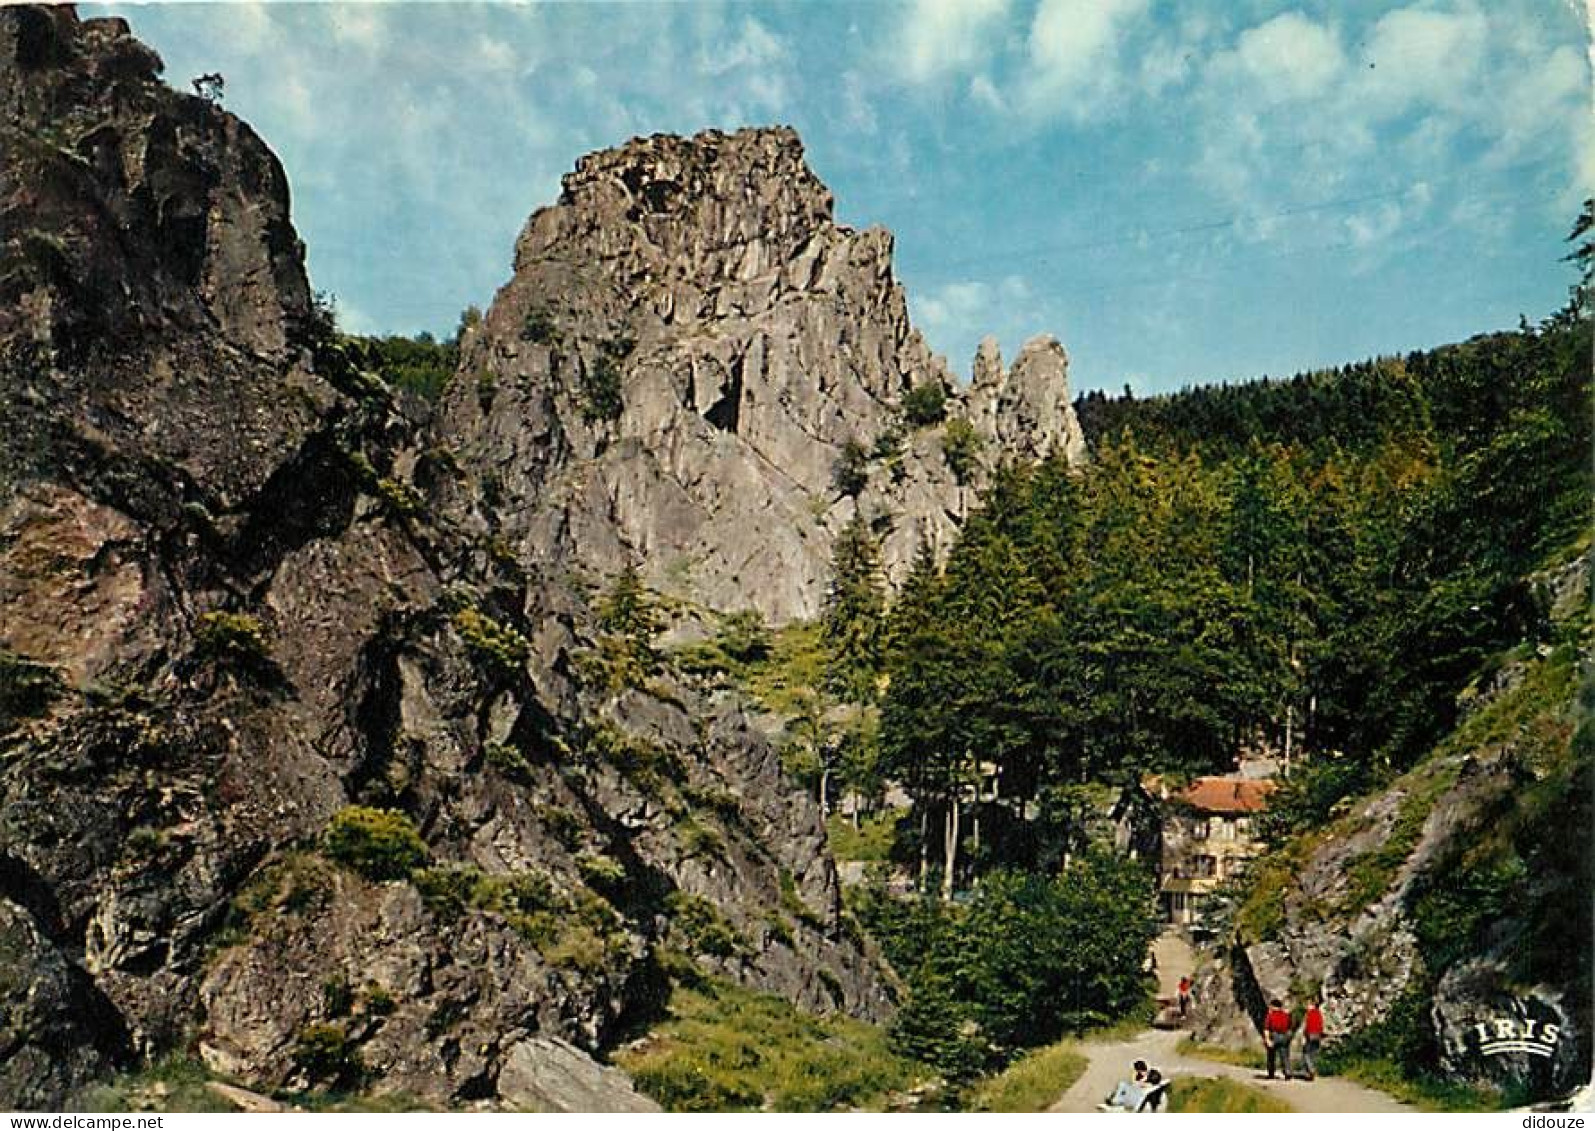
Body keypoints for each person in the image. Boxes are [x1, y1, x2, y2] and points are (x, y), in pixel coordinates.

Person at [1263, 998, 1294, 1080]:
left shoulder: (1270, 1015)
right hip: (1285, 1036)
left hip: (1275, 1035)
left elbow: (1266, 1028)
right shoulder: (1286, 1015)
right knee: (1285, 1055)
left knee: (1271, 1055)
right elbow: (1290, 1026)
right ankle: (1287, 1072)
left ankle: (1271, 1073)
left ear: (1273, 1006)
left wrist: (1267, 1040)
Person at [1301, 998, 1325, 1080]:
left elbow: (1306, 1025)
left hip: (1310, 1035)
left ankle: (1311, 1070)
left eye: (1308, 1005)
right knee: (1313, 1055)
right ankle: (1309, 1073)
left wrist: (1304, 1036)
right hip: (1318, 1035)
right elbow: (1321, 1024)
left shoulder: (1308, 1014)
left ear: (1312, 1005)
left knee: (1306, 1053)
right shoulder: (1319, 1013)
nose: (1307, 1006)